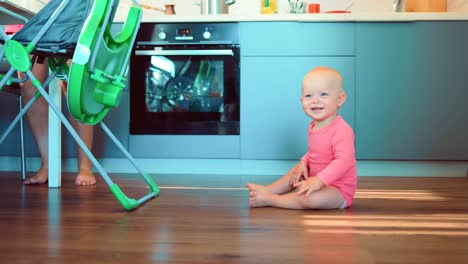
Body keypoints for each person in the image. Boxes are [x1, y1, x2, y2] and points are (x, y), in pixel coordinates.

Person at [246, 66, 357, 209]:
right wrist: (304, 161)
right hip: (316, 181)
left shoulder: (342, 130)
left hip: (337, 190)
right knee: (297, 169)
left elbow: (344, 161)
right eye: (308, 96)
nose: (315, 100)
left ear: (340, 99)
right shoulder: (314, 126)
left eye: (323, 94)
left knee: (309, 199)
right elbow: (317, 152)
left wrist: (319, 180)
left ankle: (272, 199)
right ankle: (270, 189)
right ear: (301, 100)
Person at [5, 24, 96, 186]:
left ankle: (85, 165)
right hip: (36, 22)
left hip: (72, 20)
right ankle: (48, 164)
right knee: (28, 84)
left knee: (73, 85)